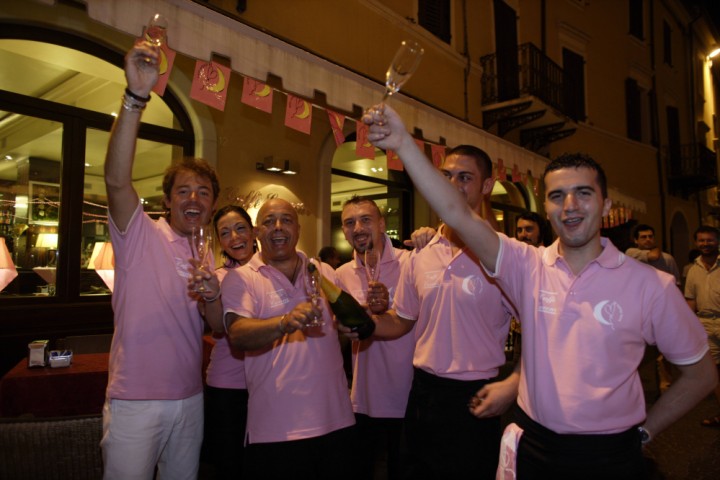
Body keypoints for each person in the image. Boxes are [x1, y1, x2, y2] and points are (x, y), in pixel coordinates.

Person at [363, 104, 716, 479]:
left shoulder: (652, 285)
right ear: (545, 207)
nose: (570, 206)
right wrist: (402, 142)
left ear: (606, 204)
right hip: (535, 448)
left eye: (583, 193)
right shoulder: (525, 265)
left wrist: (646, 431)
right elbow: (458, 214)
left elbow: (701, 375)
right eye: (557, 196)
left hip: (611, 456)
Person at [345, 146, 519, 479]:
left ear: (486, 186)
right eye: (446, 177)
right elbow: (402, 320)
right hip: (422, 392)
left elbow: (541, 330)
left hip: (475, 395)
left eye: (465, 178)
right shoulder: (421, 255)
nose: (453, 185)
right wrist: (365, 325)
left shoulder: (505, 256)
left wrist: (513, 383)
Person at [101, 41, 223, 479]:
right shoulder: (140, 233)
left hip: (191, 398)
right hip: (136, 399)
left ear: (211, 206)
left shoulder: (207, 252)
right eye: (184, 190)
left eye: (204, 192)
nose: (194, 198)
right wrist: (135, 98)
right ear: (168, 201)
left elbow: (217, 327)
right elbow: (116, 181)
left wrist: (213, 295)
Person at [221, 198, 355, 478]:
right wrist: (284, 322)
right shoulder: (243, 278)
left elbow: (346, 320)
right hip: (276, 429)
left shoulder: (323, 272)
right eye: (269, 221)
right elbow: (237, 335)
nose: (278, 227)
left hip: (337, 420)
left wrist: (350, 325)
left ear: (298, 228)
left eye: (286, 220)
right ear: (258, 232)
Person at [335, 196, 415, 479]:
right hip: (363, 399)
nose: (357, 227)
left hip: (410, 395)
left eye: (365, 219)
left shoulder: (411, 262)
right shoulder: (341, 275)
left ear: (382, 225)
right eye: (349, 222)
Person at [200, 205, 255, 479]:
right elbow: (218, 328)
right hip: (228, 386)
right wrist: (211, 296)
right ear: (220, 242)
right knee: (230, 465)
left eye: (240, 228)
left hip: (268, 384)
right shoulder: (218, 278)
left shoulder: (274, 272)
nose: (234, 237)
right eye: (225, 232)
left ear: (253, 231)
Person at [684, 225, 720, 428]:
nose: (705, 244)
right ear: (696, 242)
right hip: (704, 324)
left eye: (710, 240)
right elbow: (690, 301)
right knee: (713, 373)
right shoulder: (692, 270)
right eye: (701, 240)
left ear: (718, 242)